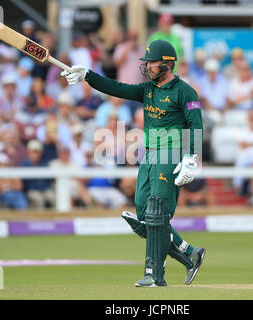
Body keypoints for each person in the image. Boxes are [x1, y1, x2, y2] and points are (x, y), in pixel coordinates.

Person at [61, 39, 205, 287]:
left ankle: (154, 274)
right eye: (146, 62)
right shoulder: (148, 90)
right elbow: (117, 88)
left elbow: (196, 124)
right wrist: (88, 75)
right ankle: (189, 252)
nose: (147, 67)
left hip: (170, 153)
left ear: (167, 64)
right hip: (149, 155)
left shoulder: (184, 90)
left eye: (152, 62)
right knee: (144, 213)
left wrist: (191, 157)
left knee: (158, 212)